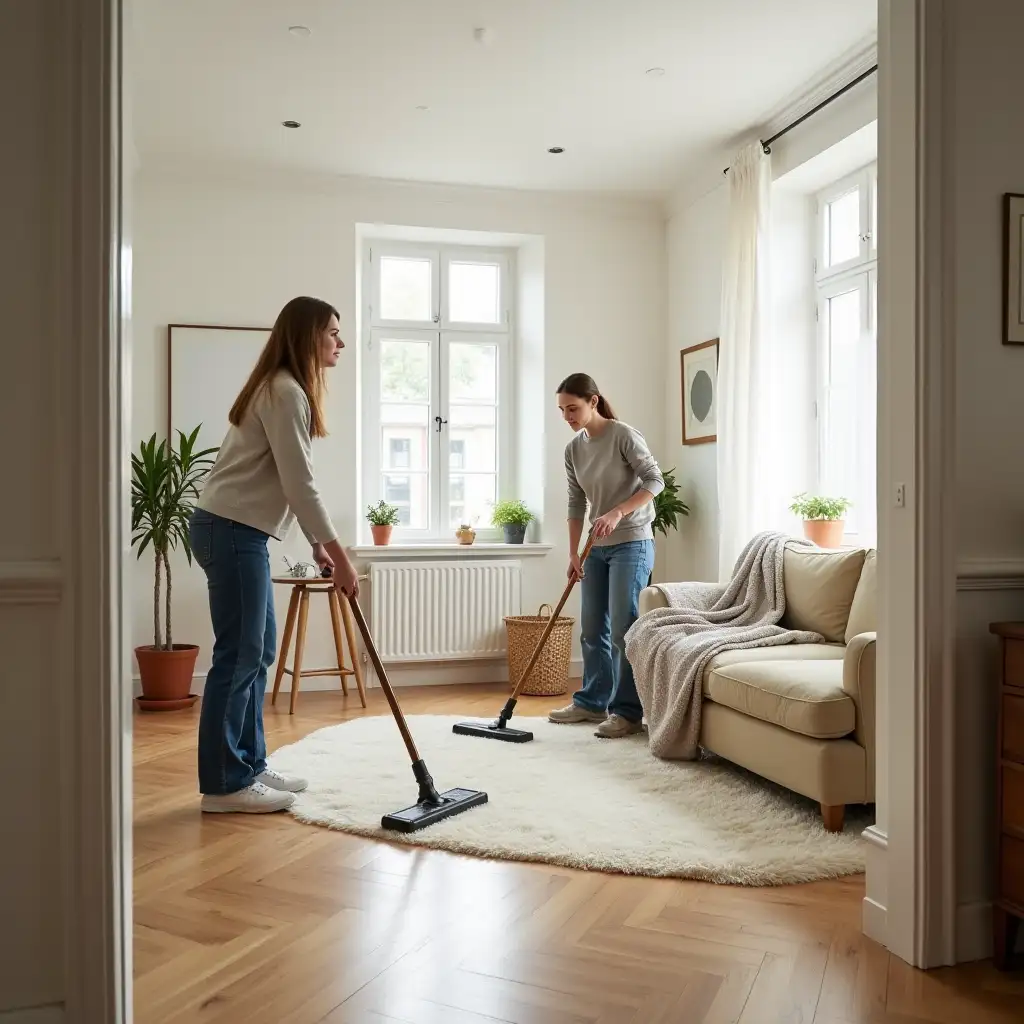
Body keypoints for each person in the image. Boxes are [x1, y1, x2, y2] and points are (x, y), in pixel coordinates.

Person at [188, 296, 360, 813]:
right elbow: (300, 483)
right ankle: (223, 784)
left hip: (239, 531)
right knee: (239, 656)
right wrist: (341, 555)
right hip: (232, 530)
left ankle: (249, 765)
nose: (340, 342)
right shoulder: (285, 392)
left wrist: (315, 543)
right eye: (333, 332)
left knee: (256, 653)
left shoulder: (282, 389)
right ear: (309, 336)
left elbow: (288, 482)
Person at [548, 373, 664, 738]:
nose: (568, 416)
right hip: (594, 549)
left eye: (573, 408)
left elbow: (655, 481)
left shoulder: (623, 435)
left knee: (623, 629)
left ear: (593, 402)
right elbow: (575, 502)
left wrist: (618, 512)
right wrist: (573, 552)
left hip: (632, 543)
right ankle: (591, 701)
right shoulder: (573, 449)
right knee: (592, 628)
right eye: (562, 410)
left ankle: (627, 712)